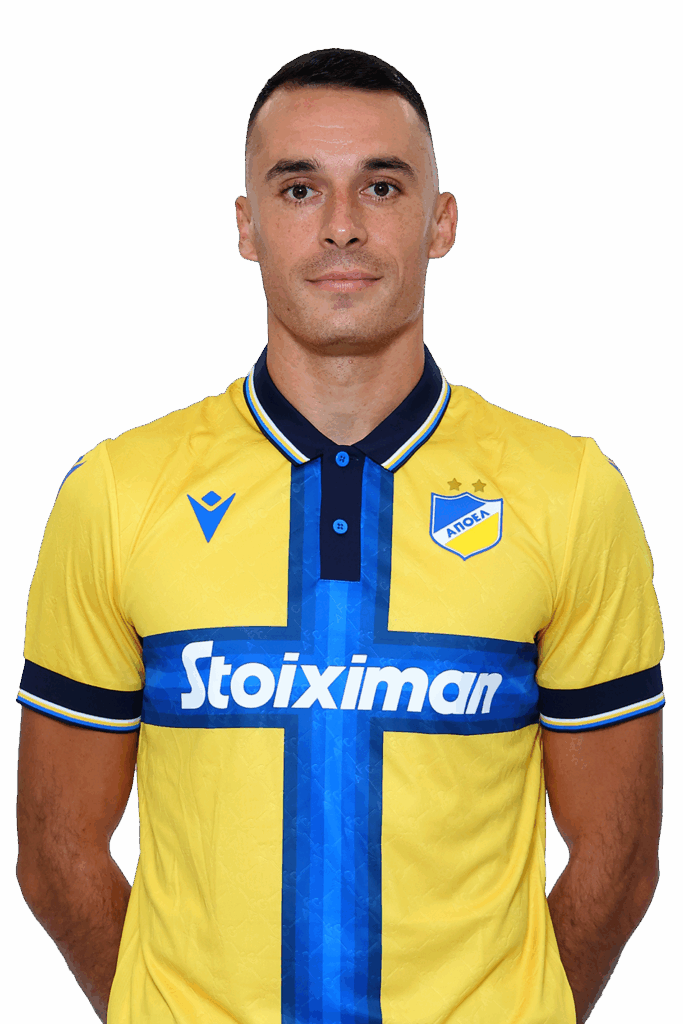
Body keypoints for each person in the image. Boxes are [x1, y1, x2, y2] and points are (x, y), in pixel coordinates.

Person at [15, 48, 664, 1024]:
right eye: (298, 188)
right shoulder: (117, 494)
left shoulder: (568, 494)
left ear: (441, 221)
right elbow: (55, 849)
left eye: (382, 186)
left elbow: (619, 854)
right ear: (246, 225)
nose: (341, 224)